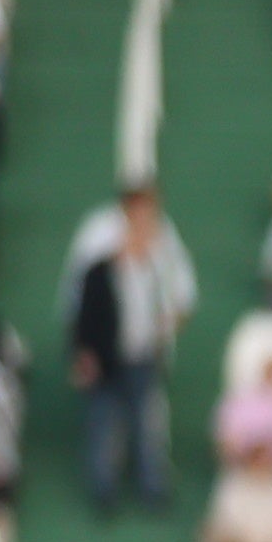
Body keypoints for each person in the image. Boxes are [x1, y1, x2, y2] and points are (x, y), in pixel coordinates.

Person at [62, 186, 195, 510]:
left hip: (144, 356)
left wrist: (164, 331)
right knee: (103, 423)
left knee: (146, 423)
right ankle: (103, 490)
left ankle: (152, 486)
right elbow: (82, 314)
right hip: (107, 358)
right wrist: (84, 356)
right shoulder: (99, 268)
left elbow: (180, 301)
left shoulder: (159, 261)